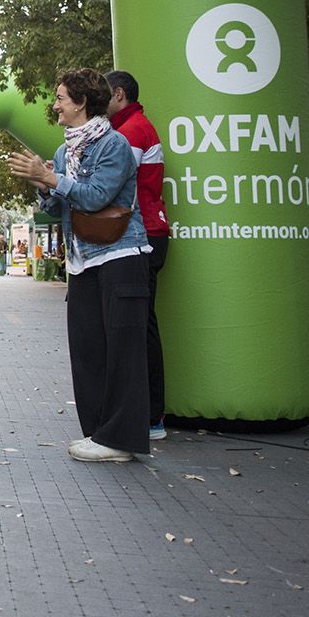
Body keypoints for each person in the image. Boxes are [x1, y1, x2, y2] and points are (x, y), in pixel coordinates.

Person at [8, 67, 152, 463]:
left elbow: (96, 196)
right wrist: (43, 185)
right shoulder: (62, 152)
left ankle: (120, 440)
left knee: (123, 351)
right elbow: (60, 209)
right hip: (82, 260)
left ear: (82, 101)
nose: (54, 106)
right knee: (88, 350)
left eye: (60, 98)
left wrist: (53, 180)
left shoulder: (114, 144)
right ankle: (98, 433)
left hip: (121, 255)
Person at [105, 70, 172, 441]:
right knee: (138, 326)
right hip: (143, 234)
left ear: (119, 94)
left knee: (140, 328)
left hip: (143, 235)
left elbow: (112, 186)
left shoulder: (131, 131)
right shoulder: (129, 128)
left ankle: (151, 417)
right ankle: (146, 415)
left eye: (102, 94)